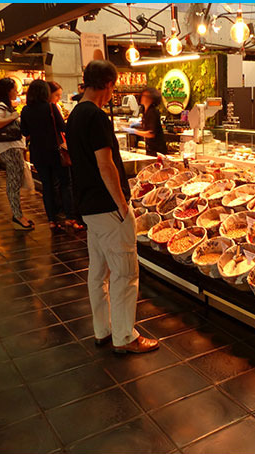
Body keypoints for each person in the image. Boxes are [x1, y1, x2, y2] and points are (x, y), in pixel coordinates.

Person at [66, 60, 159, 354]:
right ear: (107, 84)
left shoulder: (75, 114)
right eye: (113, 87)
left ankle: (103, 331)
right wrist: (121, 204)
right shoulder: (95, 116)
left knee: (99, 272)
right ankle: (124, 336)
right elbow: (105, 165)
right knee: (124, 274)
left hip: (88, 206)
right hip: (107, 207)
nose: (112, 93)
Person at [20, 80, 82, 230]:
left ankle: (52, 220)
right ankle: (69, 218)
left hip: (38, 153)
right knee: (65, 184)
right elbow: (62, 127)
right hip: (55, 152)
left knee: (47, 186)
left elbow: (25, 132)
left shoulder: (26, 110)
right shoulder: (51, 107)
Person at [0, 78, 34, 231]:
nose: (17, 92)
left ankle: (19, 214)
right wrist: (12, 117)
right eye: (14, 89)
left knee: (14, 181)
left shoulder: (3, 105)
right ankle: (17, 216)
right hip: (10, 148)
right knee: (14, 182)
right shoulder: (1, 106)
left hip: (12, 147)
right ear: (8, 90)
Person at [127, 87, 167, 156]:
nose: (142, 97)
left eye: (145, 96)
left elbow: (150, 134)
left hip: (157, 150)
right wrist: (137, 124)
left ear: (151, 98)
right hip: (150, 148)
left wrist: (134, 131)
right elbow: (146, 123)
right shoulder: (145, 110)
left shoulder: (152, 112)